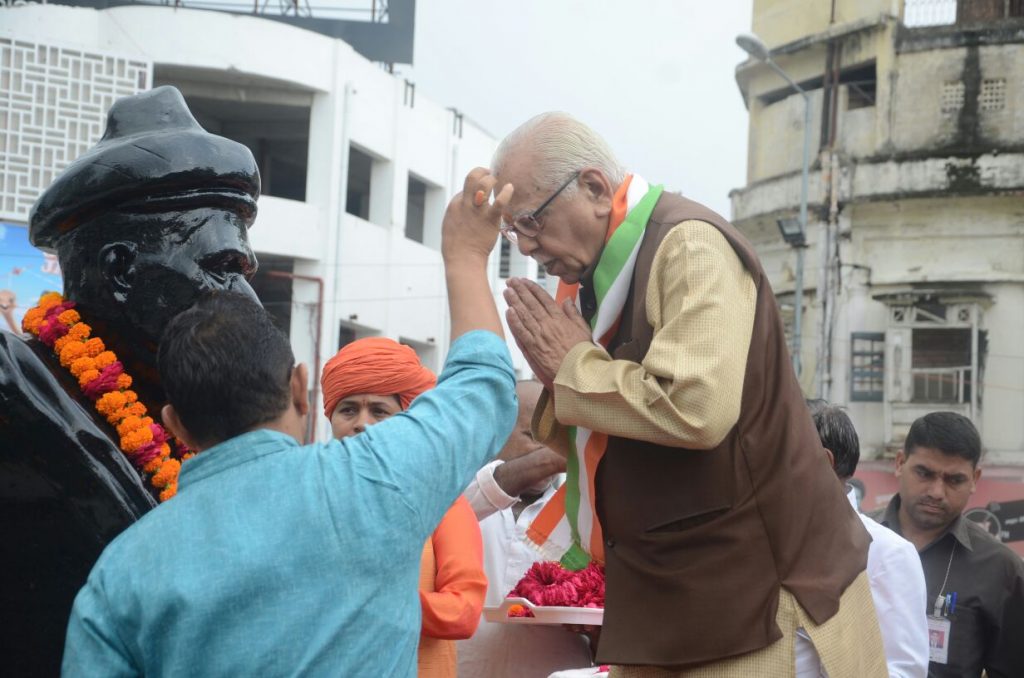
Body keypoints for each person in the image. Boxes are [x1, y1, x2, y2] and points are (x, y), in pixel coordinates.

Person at [60, 167, 519, 676]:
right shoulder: (378, 479)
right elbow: (482, 384)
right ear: (302, 390)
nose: (363, 422)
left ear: (175, 426)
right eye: (350, 407)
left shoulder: (121, 574)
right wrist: (467, 257)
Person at [498, 112, 885, 676]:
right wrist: (566, 379)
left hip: (762, 598)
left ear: (595, 189)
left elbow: (696, 407)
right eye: (513, 232)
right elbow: (612, 423)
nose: (528, 246)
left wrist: (574, 370)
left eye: (532, 220)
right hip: (681, 595)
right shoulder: (600, 282)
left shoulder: (688, 245)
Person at [0, 85, 261, 674]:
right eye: (222, 267)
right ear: (120, 271)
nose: (244, 297)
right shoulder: (19, 390)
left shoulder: (184, 424)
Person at [319, 336, 487, 678]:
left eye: (379, 410)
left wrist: (374, 602)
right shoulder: (309, 496)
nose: (362, 423)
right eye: (348, 409)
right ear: (331, 418)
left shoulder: (444, 504)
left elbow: (464, 611)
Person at [873, 411, 1024, 678]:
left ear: (975, 479)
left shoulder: (1001, 569)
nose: (936, 492)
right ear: (899, 463)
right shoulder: (854, 539)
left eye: (954, 480)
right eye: (924, 473)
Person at [459, 380, 594, 678]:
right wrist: (554, 458)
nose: (549, 448)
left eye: (560, 438)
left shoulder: (583, 512)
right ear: (498, 430)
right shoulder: (457, 493)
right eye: (535, 435)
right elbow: (477, 497)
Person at [807, 399, 929, 678]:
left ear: (822, 462)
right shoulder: (764, 541)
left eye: (779, 455)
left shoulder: (888, 553)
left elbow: (905, 671)